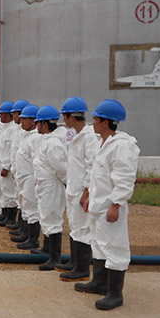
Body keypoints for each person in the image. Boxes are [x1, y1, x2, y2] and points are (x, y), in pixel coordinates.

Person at [76, 99, 139, 311]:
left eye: (96, 119)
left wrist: (117, 204)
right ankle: (100, 282)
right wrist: (89, 197)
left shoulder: (122, 146)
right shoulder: (103, 144)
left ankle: (115, 294)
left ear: (106, 122)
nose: (92, 122)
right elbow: (98, 176)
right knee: (99, 244)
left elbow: (124, 178)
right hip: (99, 206)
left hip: (110, 208)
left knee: (115, 247)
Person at [57, 97, 99, 281]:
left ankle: (82, 269)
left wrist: (86, 191)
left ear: (70, 117)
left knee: (82, 228)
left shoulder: (89, 137)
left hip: (81, 191)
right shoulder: (76, 135)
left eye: (65, 116)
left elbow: (92, 166)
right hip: (73, 189)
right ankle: (74, 262)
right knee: (75, 225)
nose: (63, 120)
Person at [32, 105, 67, 271]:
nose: (36, 126)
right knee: (45, 215)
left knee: (52, 217)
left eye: (38, 123)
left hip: (52, 185)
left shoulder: (53, 143)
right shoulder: (46, 140)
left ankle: (55, 258)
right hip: (45, 184)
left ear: (45, 124)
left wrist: (65, 182)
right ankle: (47, 249)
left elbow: (61, 167)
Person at [12, 104, 41, 250]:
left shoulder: (35, 138)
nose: (21, 121)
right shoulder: (26, 136)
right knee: (24, 204)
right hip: (22, 176)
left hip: (30, 177)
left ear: (33, 121)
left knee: (31, 207)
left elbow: (37, 161)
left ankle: (33, 239)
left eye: (25, 119)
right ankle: (25, 233)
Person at [6, 99, 30, 231]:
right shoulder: (18, 131)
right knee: (20, 198)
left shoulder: (30, 135)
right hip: (19, 172)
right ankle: (21, 226)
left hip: (27, 174)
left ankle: (27, 232)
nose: (14, 117)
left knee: (28, 202)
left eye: (15, 114)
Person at [0, 101, 18, 226]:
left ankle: (11, 217)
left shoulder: (13, 130)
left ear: (9, 115)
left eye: (2, 114)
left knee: (10, 192)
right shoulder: (5, 128)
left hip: (7, 167)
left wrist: (6, 166)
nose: (0, 116)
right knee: (3, 190)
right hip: (1, 164)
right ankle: (4, 213)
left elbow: (11, 151)